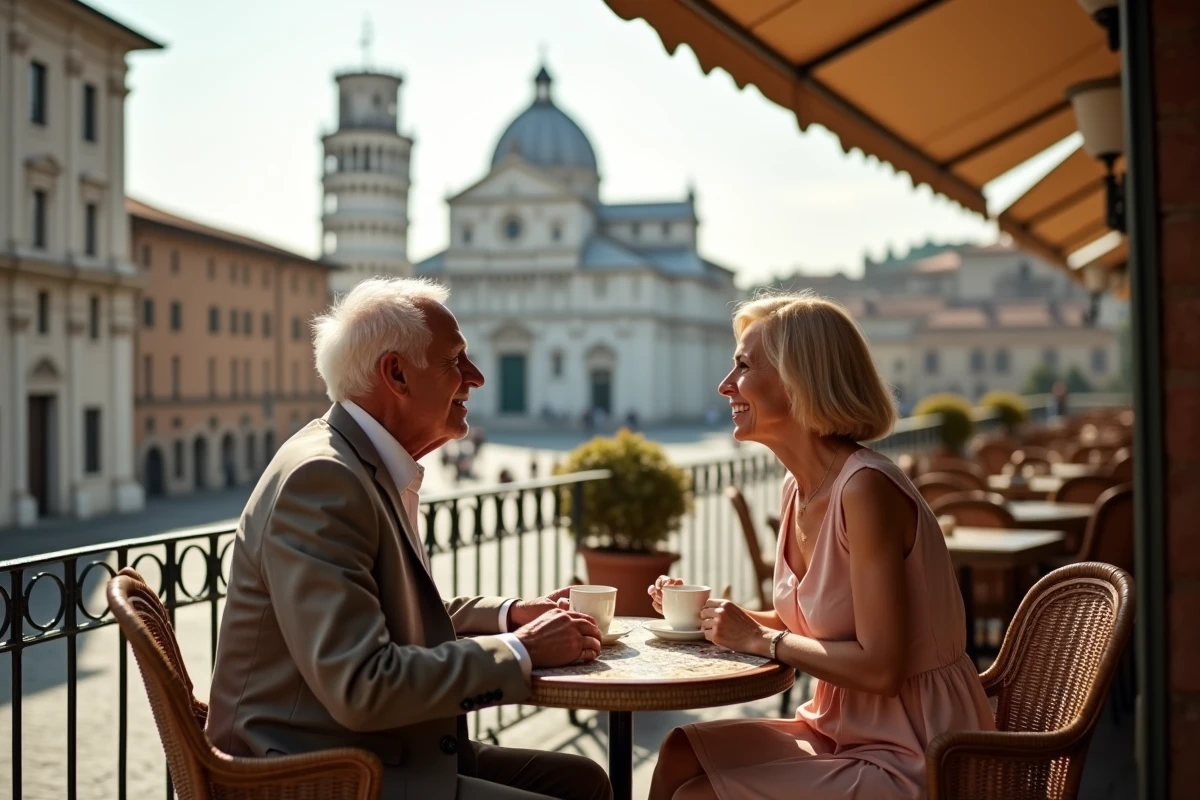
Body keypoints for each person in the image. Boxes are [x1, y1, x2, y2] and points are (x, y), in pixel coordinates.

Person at [206, 278, 611, 800]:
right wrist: (521, 651)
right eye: (456, 361)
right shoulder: (322, 480)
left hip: (372, 749)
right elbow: (363, 684)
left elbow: (389, 611)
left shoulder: (356, 462)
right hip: (313, 776)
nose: (478, 378)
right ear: (396, 373)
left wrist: (511, 615)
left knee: (584, 781)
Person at [647, 291, 994, 800]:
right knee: (682, 751)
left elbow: (881, 667)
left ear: (798, 381)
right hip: (841, 731)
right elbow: (810, 628)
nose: (725, 386)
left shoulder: (866, 489)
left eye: (742, 366)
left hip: (921, 752)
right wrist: (714, 617)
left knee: (697, 798)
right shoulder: (798, 488)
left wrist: (758, 640)